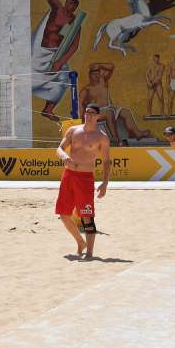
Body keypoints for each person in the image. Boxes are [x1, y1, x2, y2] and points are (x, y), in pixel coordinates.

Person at [55, 104, 111, 259]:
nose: (89, 115)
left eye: (92, 113)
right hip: (68, 175)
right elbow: (59, 148)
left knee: (87, 215)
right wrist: (64, 156)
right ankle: (80, 242)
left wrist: (105, 183)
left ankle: (90, 253)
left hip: (85, 179)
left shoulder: (101, 137)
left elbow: (107, 161)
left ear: (98, 116)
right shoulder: (73, 130)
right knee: (64, 215)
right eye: (87, 112)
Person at [32, 0, 84, 122]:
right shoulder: (57, 9)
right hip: (40, 51)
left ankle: (48, 109)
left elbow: (74, 46)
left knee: (64, 78)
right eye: (68, 3)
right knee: (27, 77)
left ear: (76, 7)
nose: (70, 6)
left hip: (56, 54)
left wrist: (60, 62)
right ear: (65, 3)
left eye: (73, 5)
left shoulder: (75, 23)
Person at [79, 62, 152, 144]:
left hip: (109, 107)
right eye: (94, 74)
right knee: (109, 113)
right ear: (90, 75)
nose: (96, 76)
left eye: (98, 73)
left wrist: (99, 65)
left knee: (126, 112)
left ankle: (136, 133)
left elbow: (111, 67)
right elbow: (81, 105)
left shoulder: (103, 81)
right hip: (97, 112)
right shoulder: (86, 90)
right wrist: (82, 120)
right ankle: (115, 138)